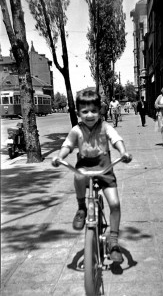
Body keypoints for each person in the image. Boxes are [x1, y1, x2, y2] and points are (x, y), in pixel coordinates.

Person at [52, 91, 131, 262]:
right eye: (85, 111)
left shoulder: (105, 127)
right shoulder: (76, 130)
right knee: (78, 176)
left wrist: (123, 152)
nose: (90, 115)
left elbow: (116, 139)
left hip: (105, 169)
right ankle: (81, 207)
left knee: (115, 204)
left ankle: (113, 241)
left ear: (100, 111)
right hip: (85, 169)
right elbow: (67, 145)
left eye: (94, 111)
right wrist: (60, 157)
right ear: (78, 113)